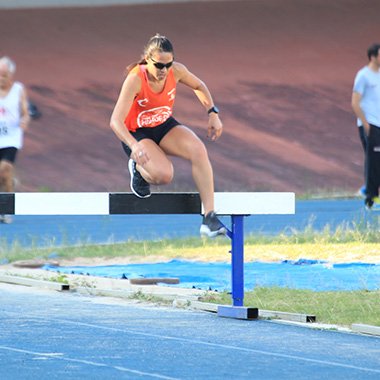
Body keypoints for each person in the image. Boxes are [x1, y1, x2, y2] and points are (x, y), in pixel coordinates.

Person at [110, 34, 226, 237]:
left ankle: (209, 218)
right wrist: (134, 146)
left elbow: (199, 86)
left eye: (168, 65)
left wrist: (213, 113)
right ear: (147, 59)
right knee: (164, 175)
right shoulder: (136, 79)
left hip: (162, 125)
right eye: (159, 66)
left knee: (198, 150)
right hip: (136, 133)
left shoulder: (177, 71)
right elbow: (115, 122)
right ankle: (137, 167)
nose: (164, 71)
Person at [0, 56, 30, 223]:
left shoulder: (18, 89)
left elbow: (25, 111)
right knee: (2, 176)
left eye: (4, 75)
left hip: (11, 138)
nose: (1, 78)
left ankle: (7, 209)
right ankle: (8, 186)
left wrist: (25, 120)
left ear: (10, 75)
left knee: (4, 168)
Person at [351, 43, 380, 210]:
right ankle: (371, 198)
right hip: (370, 124)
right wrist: (365, 123)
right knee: (374, 160)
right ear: (373, 56)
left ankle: (366, 188)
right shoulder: (363, 75)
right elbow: (355, 102)